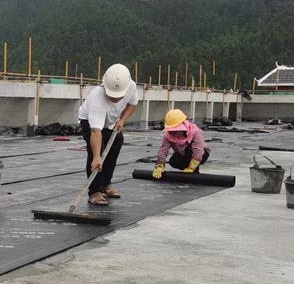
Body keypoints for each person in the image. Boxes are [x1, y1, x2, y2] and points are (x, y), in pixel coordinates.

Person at [78, 63, 138, 206]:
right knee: (96, 154)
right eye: (111, 95)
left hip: (112, 122)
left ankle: (106, 184)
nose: (115, 98)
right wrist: (97, 157)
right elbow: (96, 131)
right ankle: (94, 192)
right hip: (90, 123)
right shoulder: (97, 99)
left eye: (118, 96)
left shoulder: (131, 86)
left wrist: (122, 120)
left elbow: (132, 104)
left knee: (117, 142)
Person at [152, 109, 210, 178]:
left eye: (176, 130)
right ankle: (187, 169)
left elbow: (198, 151)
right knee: (173, 161)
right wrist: (159, 165)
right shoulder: (168, 134)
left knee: (190, 151)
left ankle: (193, 170)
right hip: (182, 154)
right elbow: (163, 150)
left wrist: (191, 168)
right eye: (172, 130)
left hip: (201, 154)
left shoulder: (195, 132)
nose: (173, 133)